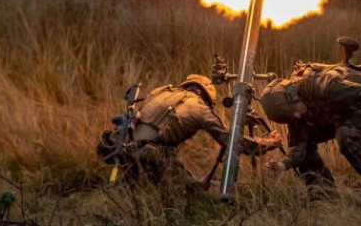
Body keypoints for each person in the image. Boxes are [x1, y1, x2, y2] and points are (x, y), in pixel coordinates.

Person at [260, 38, 361, 205]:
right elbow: (298, 148)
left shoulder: (324, 87)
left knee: (345, 136)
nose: (296, 117)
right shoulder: (292, 110)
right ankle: (324, 195)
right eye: (291, 116)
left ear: (295, 96)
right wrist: (282, 166)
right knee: (306, 140)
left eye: (295, 111)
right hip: (336, 115)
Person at [98, 74, 281, 193]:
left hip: (122, 147)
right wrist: (267, 143)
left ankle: (127, 193)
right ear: (207, 97)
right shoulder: (200, 107)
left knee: (142, 185)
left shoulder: (160, 91)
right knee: (194, 196)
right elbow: (231, 140)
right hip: (152, 154)